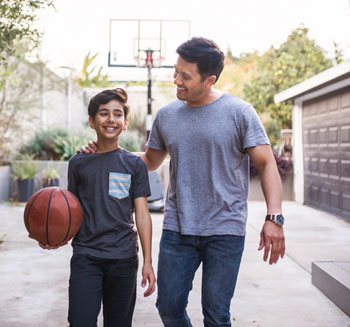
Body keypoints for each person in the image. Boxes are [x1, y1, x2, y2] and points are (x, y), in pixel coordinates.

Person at [82, 37, 285, 327]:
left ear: (209, 80)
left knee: (216, 316)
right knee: (169, 307)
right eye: (175, 71)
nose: (176, 80)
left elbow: (267, 164)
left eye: (184, 76)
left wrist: (274, 217)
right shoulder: (167, 115)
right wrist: (103, 152)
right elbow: (150, 160)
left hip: (225, 229)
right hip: (179, 228)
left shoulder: (240, 112)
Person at [39, 88, 156, 327]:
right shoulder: (78, 162)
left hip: (123, 257)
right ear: (92, 121)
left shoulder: (134, 165)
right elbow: (70, 211)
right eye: (104, 114)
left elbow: (142, 215)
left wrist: (147, 261)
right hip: (86, 256)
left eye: (117, 114)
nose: (111, 119)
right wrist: (54, 237)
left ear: (125, 123)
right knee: (80, 321)